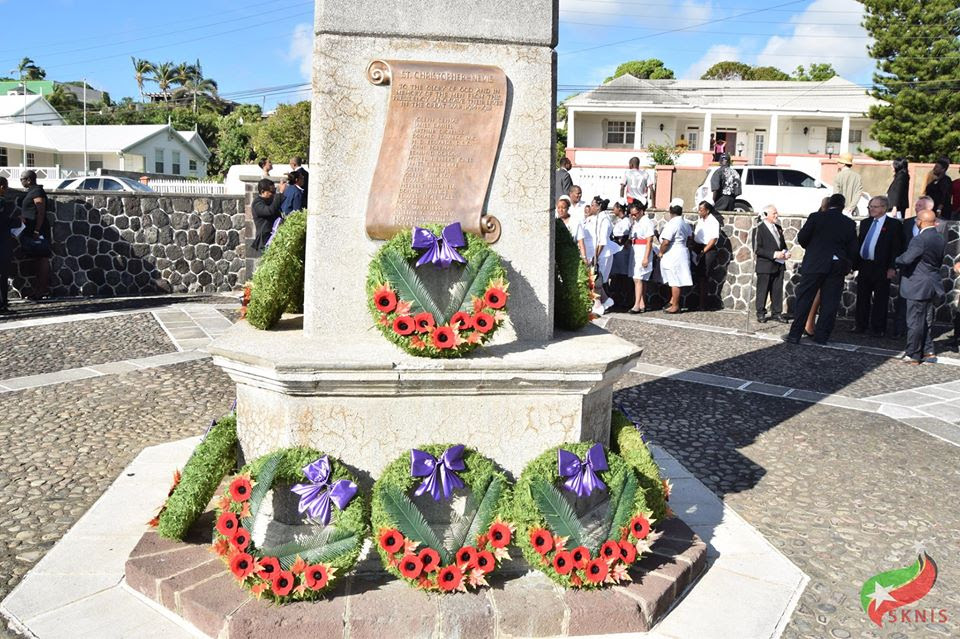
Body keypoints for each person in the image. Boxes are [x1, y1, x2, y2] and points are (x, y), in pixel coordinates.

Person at [784, 193, 858, 345]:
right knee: (830, 302)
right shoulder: (849, 223)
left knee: (804, 299)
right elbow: (853, 249)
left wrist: (814, 249)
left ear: (829, 203)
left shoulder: (816, 217)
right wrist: (848, 264)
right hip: (836, 266)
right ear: (843, 206)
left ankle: (794, 334)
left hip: (815, 263)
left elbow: (802, 238)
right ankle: (822, 336)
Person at [896, 208, 946, 364]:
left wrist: (897, 259)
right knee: (926, 320)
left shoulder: (920, 239)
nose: (916, 222)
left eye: (917, 220)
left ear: (921, 222)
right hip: (931, 283)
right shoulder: (939, 237)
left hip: (917, 284)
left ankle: (913, 354)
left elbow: (907, 259)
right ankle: (928, 350)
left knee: (915, 321)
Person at [853, 195, 903, 338]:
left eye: (874, 207)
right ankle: (860, 324)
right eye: (870, 207)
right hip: (865, 265)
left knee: (881, 298)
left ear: (883, 208)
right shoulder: (865, 223)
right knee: (862, 296)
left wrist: (892, 267)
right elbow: (860, 242)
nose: (871, 209)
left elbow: (896, 248)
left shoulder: (893, 225)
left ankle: (878, 327)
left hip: (882, 266)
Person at [17, 170, 51, 301]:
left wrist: (37, 230)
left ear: (29, 180)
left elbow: (40, 212)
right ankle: (38, 290)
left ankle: (42, 290)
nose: (21, 181)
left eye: (22, 179)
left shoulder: (37, 192)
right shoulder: (31, 191)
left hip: (38, 231)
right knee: (36, 259)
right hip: (31, 231)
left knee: (42, 258)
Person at [753, 205, 790, 323]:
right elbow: (757, 249)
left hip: (779, 265)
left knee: (777, 290)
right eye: (774, 213)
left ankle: (776, 313)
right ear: (766, 214)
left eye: (776, 213)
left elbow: (782, 245)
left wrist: (786, 253)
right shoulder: (759, 229)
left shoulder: (778, 228)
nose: (776, 215)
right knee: (763, 290)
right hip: (765, 265)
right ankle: (761, 313)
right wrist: (774, 254)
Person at [803, 197, 832, 335]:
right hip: (822, 263)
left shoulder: (815, 218)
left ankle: (807, 324)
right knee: (815, 294)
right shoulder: (818, 218)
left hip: (813, 261)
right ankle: (809, 324)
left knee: (812, 294)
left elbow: (803, 238)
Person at [658, 198, 693, 314]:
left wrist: (661, 252)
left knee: (675, 280)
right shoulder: (684, 223)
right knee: (677, 279)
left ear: (670, 210)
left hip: (674, 253)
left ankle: (675, 306)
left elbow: (666, 241)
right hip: (682, 251)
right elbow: (690, 238)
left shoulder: (673, 223)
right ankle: (673, 301)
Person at [691, 200, 721, 311]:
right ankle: (696, 301)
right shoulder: (700, 220)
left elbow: (713, 239)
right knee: (698, 276)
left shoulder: (713, 222)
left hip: (707, 249)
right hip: (698, 247)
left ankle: (703, 303)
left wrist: (703, 251)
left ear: (707, 210)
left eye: (701, 210)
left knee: (704, 276)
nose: (699, 211)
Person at [628, 201, 655, 313]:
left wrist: (646, 257)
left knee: (638, 278)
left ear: (641, 211)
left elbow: (649, 240)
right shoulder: (636, 222)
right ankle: (642, 303)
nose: (634, 217)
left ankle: (636, 304)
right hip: (636, 248)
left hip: (643, 250)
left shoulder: (646, 222)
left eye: (635, 214)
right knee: (640, 279)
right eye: (632, 214)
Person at [251, 178, 283, 255]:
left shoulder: (270, 200)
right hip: (265, 241)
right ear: (262, 192)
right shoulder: (257, 203)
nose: (274, 194)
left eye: (275, 190)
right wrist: (281, 193)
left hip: (274, 238)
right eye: (272, 192)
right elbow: (269, 211)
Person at [0, 177, 15, 312]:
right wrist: (17, 222)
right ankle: (2, 303)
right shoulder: (1, 202)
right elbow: (4, 222)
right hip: (2, 243)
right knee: (2, 274)